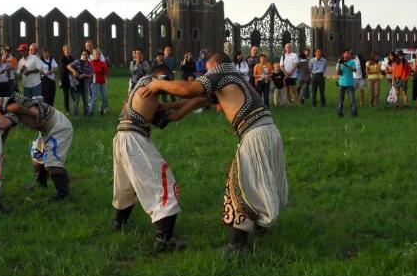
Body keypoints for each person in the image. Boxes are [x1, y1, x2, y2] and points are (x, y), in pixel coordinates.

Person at [142, 53, 288, 253]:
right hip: (267, 131)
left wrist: (158, 85)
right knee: (259, 182)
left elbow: (189, 89)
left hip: (256, 134)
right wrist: (169, 109)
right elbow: (199, 100)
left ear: (216, 64)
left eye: (208, 68)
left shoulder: (222, 71)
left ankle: (238, 245)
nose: (206, 73)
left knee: (239, 186)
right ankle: (261, 227)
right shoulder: (231, 78)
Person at [112, 64, 206, 251]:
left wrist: (193, 102)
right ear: (163, 76)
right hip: (134, 139)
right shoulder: (154, 82)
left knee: (126, 186)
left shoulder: (140, 90)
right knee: (163, 186)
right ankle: (163, 241)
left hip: (122, 136)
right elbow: (184, 92)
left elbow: (165, 120)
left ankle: (118, 224)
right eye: (169, 80)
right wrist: (197, 96)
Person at [5, 92, 73, 201]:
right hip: (47, 130)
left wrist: (6, 108)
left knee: (52, 163)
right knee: (37, 154)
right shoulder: (22, 109)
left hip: (59, 128)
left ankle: (63, 193)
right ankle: (40, 182)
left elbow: (16, 107)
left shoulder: (25, 108)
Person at [67, 49, 93, 116]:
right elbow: (68, 66)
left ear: (88, 56)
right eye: (83, 54)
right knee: (76, 101)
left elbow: (91, 75)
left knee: (86, 101)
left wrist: (84, 75)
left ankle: (86, 115)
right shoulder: (77, 62)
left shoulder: (90, 65)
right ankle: (76, 115)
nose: (84, 56)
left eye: (86, 55)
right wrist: (74, 71)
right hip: (77, 85)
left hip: (85, 85)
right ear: (81, 55)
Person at [336, 50, 358, 117]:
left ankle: (354, 114)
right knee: (340, 101)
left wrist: (346, 65)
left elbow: (354, 70)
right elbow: (337, 73)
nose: (348, 54)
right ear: (343, 54)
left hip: (350, 84)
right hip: (341, 84)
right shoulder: (339, 62)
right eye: (347, 53)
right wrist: (339, 64)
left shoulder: (352, 62)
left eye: (349, 53)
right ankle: (340, 114)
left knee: (352, 101)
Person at [89, 48, 109, 115]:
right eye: (96, 54)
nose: (97, 55)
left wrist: (101, 71)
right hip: (95, 81)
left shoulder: (103, 63)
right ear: (93, 55)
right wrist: (101, 70)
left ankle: (102, 110)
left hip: (103, 81)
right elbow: (94, 70)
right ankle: (90, 111)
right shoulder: (91, 62)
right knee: (94, 96)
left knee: (104, 96)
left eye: (98, 54)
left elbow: (106, 70)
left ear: (100, 55)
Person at [60, 45, 75, 115]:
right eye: (66, 50)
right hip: (65, 79)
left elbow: (74, 66)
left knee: (73, 94)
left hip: (72, 79)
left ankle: (75, 108)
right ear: (64, 51)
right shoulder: (62, 59)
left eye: (69, 50)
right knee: (66, 95)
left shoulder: (72, 58)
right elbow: (66, 67)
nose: (68, 51)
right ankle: (67, 110)